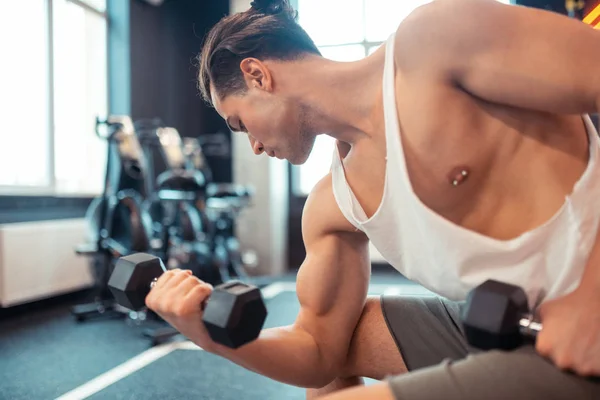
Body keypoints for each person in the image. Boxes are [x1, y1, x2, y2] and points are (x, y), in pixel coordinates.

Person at [145, 0, 600, 398]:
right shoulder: (331, 207)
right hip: (519, 326)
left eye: (240, 125)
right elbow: (317, 352)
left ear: (258, 75)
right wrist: (209, 336)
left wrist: (590, 294)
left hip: (587, 313)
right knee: (346, 336)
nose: (256, 148)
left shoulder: (432, 46)